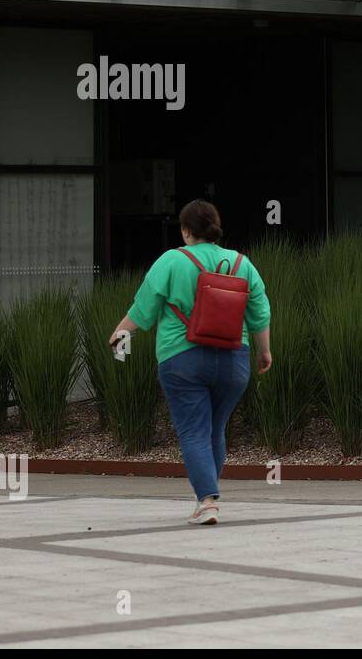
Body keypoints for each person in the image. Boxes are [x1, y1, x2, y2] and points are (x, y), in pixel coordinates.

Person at [110, 200, 271, 525]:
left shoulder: (172, 260)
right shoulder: (242, 263)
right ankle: (207, 497)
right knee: (214, 428)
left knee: (193, 431)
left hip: (182, 359)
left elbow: (145, 307)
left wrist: (120, 332)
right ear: (216, 227)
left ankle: (207, 501)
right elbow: (260, 312)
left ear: (185, 231)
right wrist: (264, 351)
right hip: (233, 360)